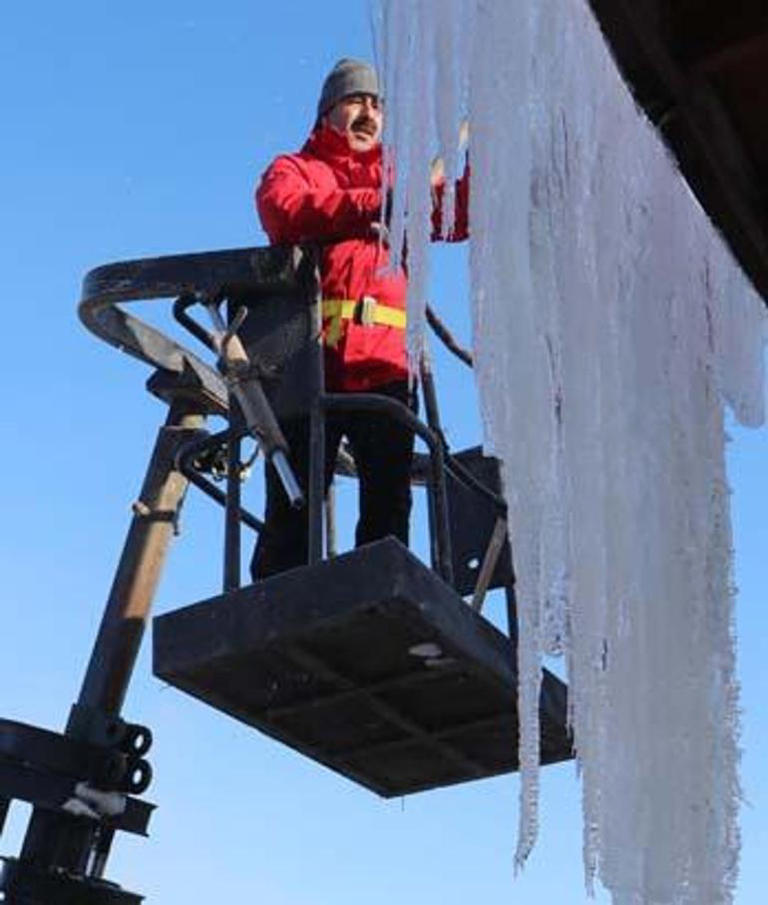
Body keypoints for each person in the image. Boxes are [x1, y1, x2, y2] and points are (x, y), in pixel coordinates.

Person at [251, 58, 468, 580]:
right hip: (309, 364)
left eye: (376, 104)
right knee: (294, 505)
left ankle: (378, 609)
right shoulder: (296, 168)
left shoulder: (403, 177)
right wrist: (382, 203)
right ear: (327, 112)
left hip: (385, 365)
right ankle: (280, 611)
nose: (368, 112)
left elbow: (458, 214)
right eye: (355, 101)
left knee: (388, 505)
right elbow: (284, 211)